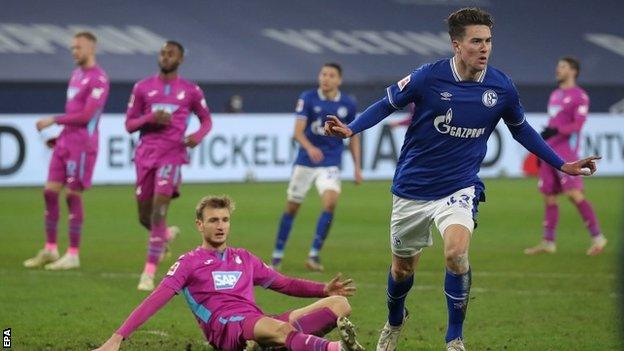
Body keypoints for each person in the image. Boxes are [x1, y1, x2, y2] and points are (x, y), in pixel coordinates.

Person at [324, 8, 600, 351]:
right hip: (412, 188)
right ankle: (395, 320)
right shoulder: (428, 77)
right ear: (457, 45)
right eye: (476, 42)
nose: (484, 48)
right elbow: (385, 104)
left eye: (488, 41)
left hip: (459, 186)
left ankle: (454, 338)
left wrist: (562, 164)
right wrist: (352, 129)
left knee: (456, 253)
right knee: (401, 271)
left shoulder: (501, 87)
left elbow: (522, 130)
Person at [92, 195, 364, 351]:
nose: (220, 226)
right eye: (213, 220)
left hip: (255, 321)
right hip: (226, 329)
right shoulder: (189, 262)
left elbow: (283, 283)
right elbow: (157, 298)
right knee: (279, 328)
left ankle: (274, 346)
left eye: (224, 219)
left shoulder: (243, 257)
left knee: (340, 305)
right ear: (200, 225)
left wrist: (323, 290)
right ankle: (338, 349)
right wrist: (117, 338)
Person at [125, 40, 213, 291]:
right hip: (145, 155)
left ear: (180, 59)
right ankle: (164, 237)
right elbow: (129, 125)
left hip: (172, 155)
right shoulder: (142, 87)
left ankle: (148, 273)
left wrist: (197, 136)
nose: (165, 57)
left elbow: (206, 120)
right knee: (145, 216)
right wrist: (150, 118)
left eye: (171, 54)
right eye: (163, 53)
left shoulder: (190, 90)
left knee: (158, 212)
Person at [24, 31, 110, 270]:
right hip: (65, 141)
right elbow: (74, 113)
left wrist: (54, 120)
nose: (74, 52)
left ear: (91, 49)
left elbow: (85, 116)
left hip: (83, 145)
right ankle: (51, 249)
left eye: (78, 47)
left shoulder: (99, 79)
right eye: (72, 48)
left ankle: (73, 253)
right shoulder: (76, 74)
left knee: (73, 195)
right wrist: (59, 135)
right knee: (50, 192)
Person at [271, 63, 362, 272]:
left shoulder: (347, 104)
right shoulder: (308, 98)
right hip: (305, 161)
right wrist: (310, 148)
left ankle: (313, 254)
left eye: (331, 75)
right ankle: (276, 258)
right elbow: (298, 132)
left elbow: (353, 135)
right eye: (323, 74)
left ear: (339, 80)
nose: (326, 78)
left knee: (330, 203)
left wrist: (358, 167)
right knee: (292, 208)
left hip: (330, 161)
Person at [524, 57, 606, 256]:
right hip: (549, 152)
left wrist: (556, 130)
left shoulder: (580, 96)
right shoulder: (555, 95)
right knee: (549, 197)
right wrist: (544, 142)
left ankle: (598, 238)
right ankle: (548, 242)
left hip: (567, 154)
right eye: (558, 66)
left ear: (573, 71)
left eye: (562, 67)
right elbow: (553, 123)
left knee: (574, 194)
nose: (557, 69)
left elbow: (577, 125)